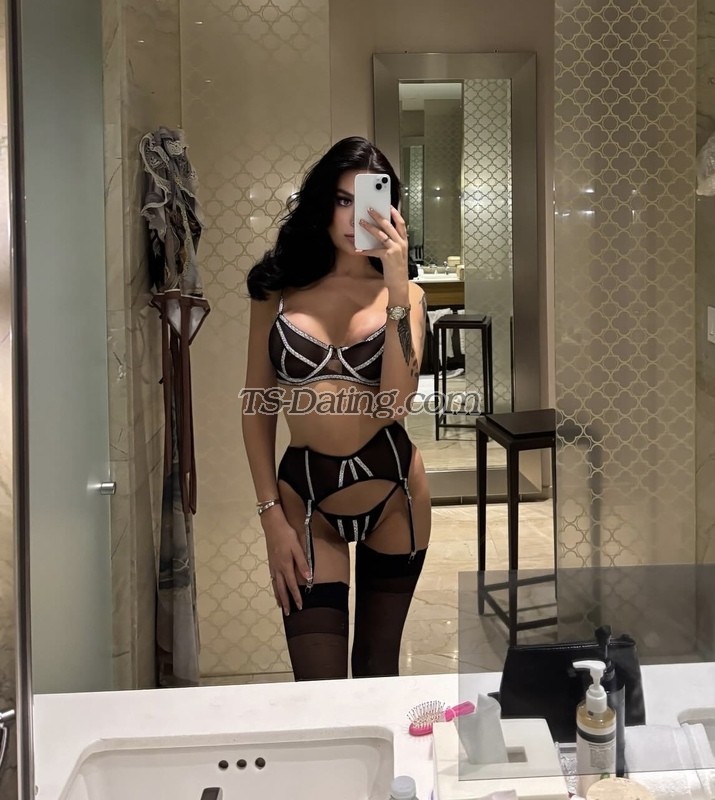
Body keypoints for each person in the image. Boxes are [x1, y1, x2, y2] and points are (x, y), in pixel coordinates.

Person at [241, 136, 431, 681]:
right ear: (322, 202)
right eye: (342, 199)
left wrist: (396, 285)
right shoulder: (277, 289)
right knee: (317, 684)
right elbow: (256, 406)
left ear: (390, 210)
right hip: (304, 496)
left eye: (367, 200)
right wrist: (269, 516)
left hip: (394, 491)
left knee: (377, 669)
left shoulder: (408, 298)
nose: (352, 217)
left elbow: (396, 403)